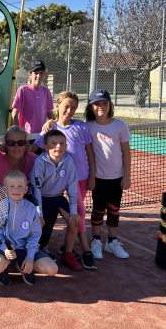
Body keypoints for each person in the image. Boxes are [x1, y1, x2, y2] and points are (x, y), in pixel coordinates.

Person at [35, 91, 97, 270]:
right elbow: (35, 148)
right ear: (57, 106)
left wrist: (92, 175)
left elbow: (89, 152)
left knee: (77, 212)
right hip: (59, 181)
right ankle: (85, 250)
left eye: (73, 108)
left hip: (81, 177)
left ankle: (66, 248)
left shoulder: (82, 127)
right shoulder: (50, 128)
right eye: (66, 107)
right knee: (80, 213)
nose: (70, 111)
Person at [85, 89, 132, 260]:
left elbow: (126, 152)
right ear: (91, 107)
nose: (101, 107)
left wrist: (127, 176)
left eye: (104, 103)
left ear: (110, 105)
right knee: (98, 209)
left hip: (117, 178)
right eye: (97, 104)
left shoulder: (120, 125)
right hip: (98, 178)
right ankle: (96, 240)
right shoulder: (87, 126)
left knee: (114, 209)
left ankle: (112, 242)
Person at [0, 170, 58, 286]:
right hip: (5, 249)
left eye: (20, 186)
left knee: (52, 269)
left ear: (26, 189)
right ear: (4, 189)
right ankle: (5, 267)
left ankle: (25, 266)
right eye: (11, 186)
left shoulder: (31, 209)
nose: (16, 189)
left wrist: (30, 257)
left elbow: (35, 235)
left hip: (25, 249)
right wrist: (5, 249)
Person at [30, 130, 81, 266]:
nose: (58, 146)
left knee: (74, 222)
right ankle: (40, 247)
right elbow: (36, 189)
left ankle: (67, 253)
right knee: (43, 223)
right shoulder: (39, 162)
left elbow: (72, 188)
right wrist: (39, 213)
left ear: (66, 146)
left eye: (62, 143)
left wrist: (74, 212)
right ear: (45, 147)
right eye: (53, 143)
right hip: (41, 198)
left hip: (58, 197)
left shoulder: (69, 161)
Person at [10, 60, 54, 134]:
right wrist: (18, 131)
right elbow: (14, 112)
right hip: (26, 134)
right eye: (36, 73)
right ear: (30, 75)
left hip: (42, 134)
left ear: (45, 75)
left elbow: (50, 113)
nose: (39, 76)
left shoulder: (46, 91)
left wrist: (53, 128)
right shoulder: (23, 90)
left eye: (41, 73)